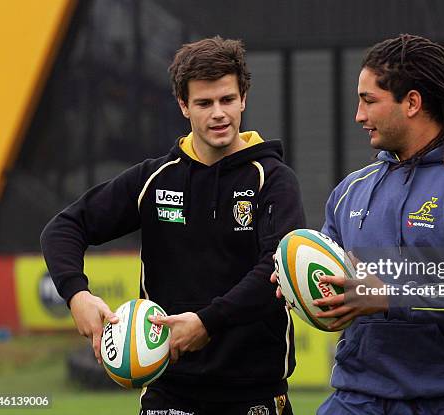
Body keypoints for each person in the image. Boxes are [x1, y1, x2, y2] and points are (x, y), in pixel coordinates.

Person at [41, 36, 305, 415]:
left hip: (253, 395)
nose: (219, 114)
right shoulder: (156, 179)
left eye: (227, 100)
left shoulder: (273, 179)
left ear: (243, 98)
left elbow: (277, 270)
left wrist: (207, 322)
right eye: (204, 103)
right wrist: (76, 294)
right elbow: (64, 227)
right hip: (168, 394)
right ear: (183, 105)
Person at [275, 34, 444, 414]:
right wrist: (298, 285)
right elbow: (333, 280)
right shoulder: (350, 191)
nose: (359, 116)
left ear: (412, 102)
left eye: (369, 101)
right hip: (358, 397)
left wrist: (389, 297)